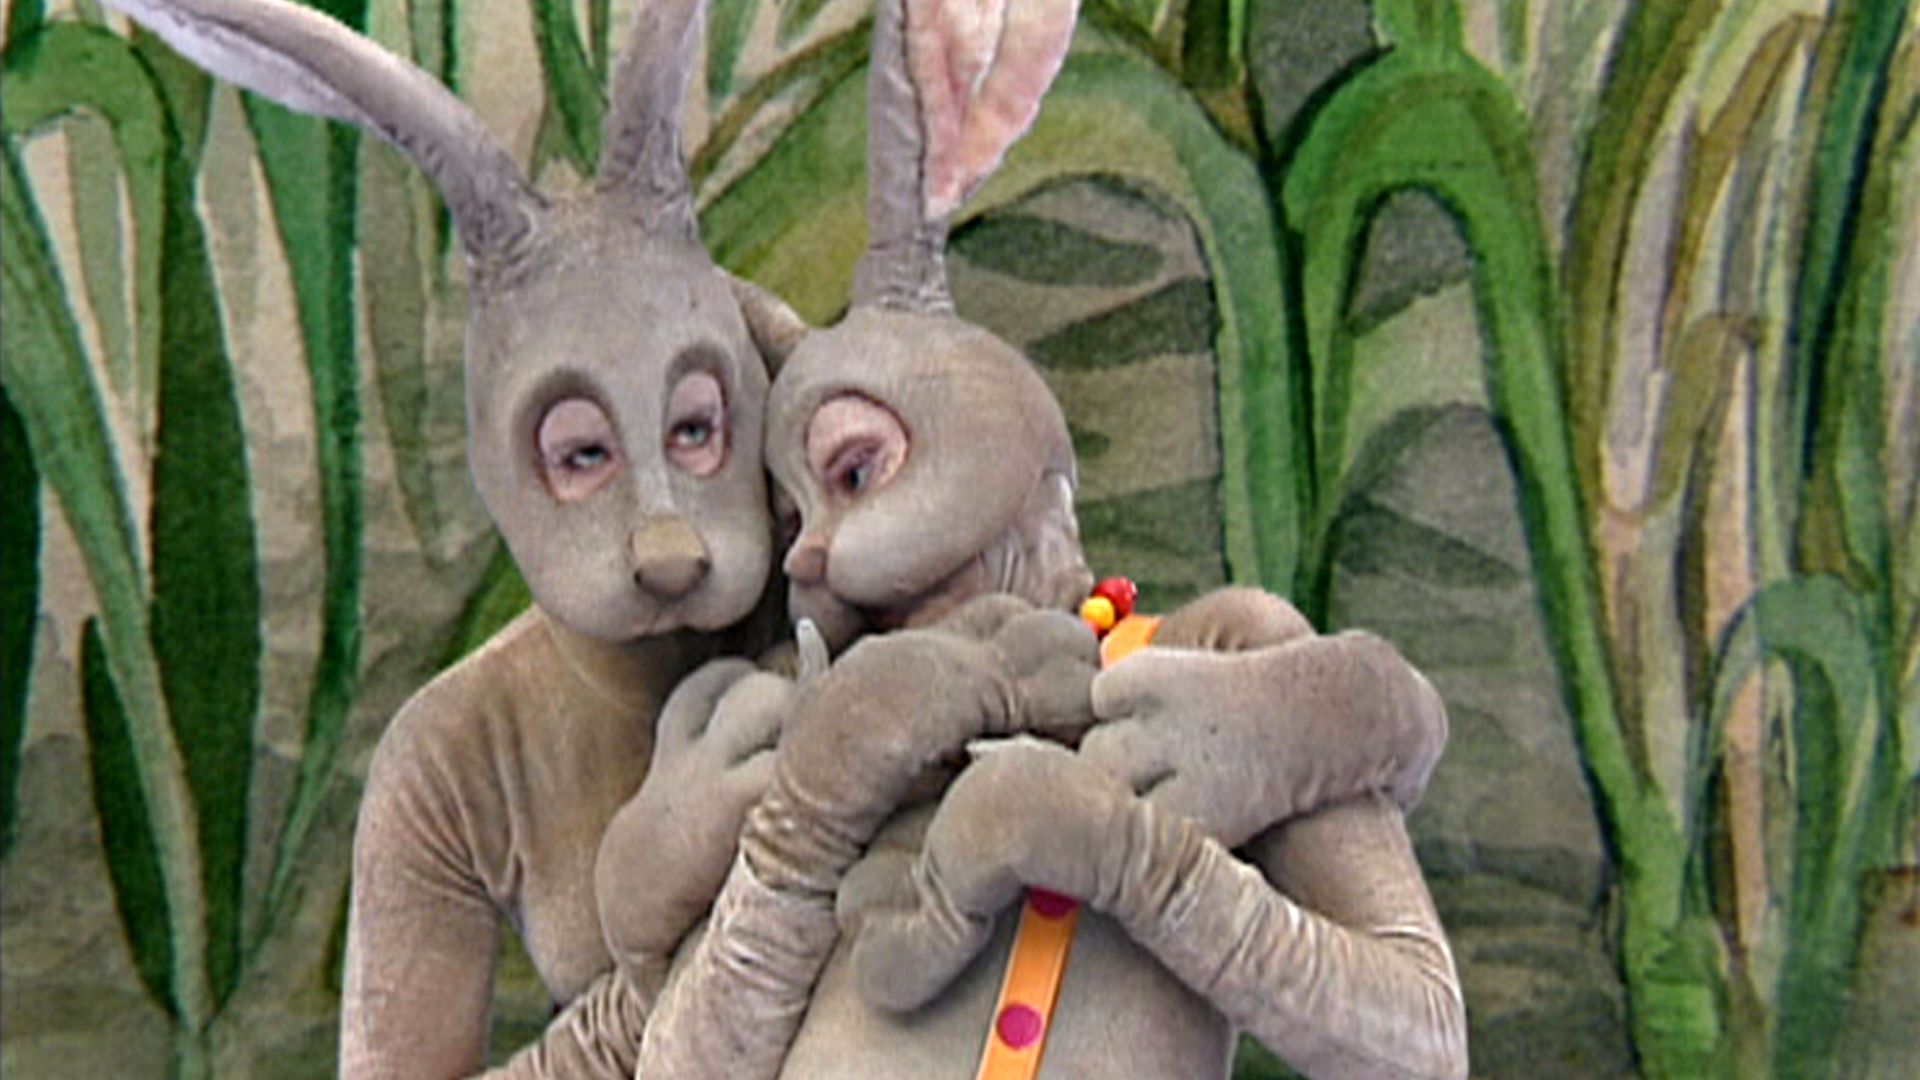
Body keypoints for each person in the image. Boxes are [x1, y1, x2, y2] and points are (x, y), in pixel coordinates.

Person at [621, 1, 1469, 1077]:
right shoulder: (806, 725)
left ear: (979, 413)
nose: (810, 555)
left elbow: (1421, 1041)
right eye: (789, 523)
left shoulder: (1211, 660)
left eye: (853, 472)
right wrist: (800, 833)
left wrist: (1142, 865)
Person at [100, 1, 808, 1076]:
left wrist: (814, 385)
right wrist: (643, 1012)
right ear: (503, 459)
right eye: (584, 454)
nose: (662, 537)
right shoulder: (457, 759)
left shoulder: (843, 563)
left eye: (694, 429)